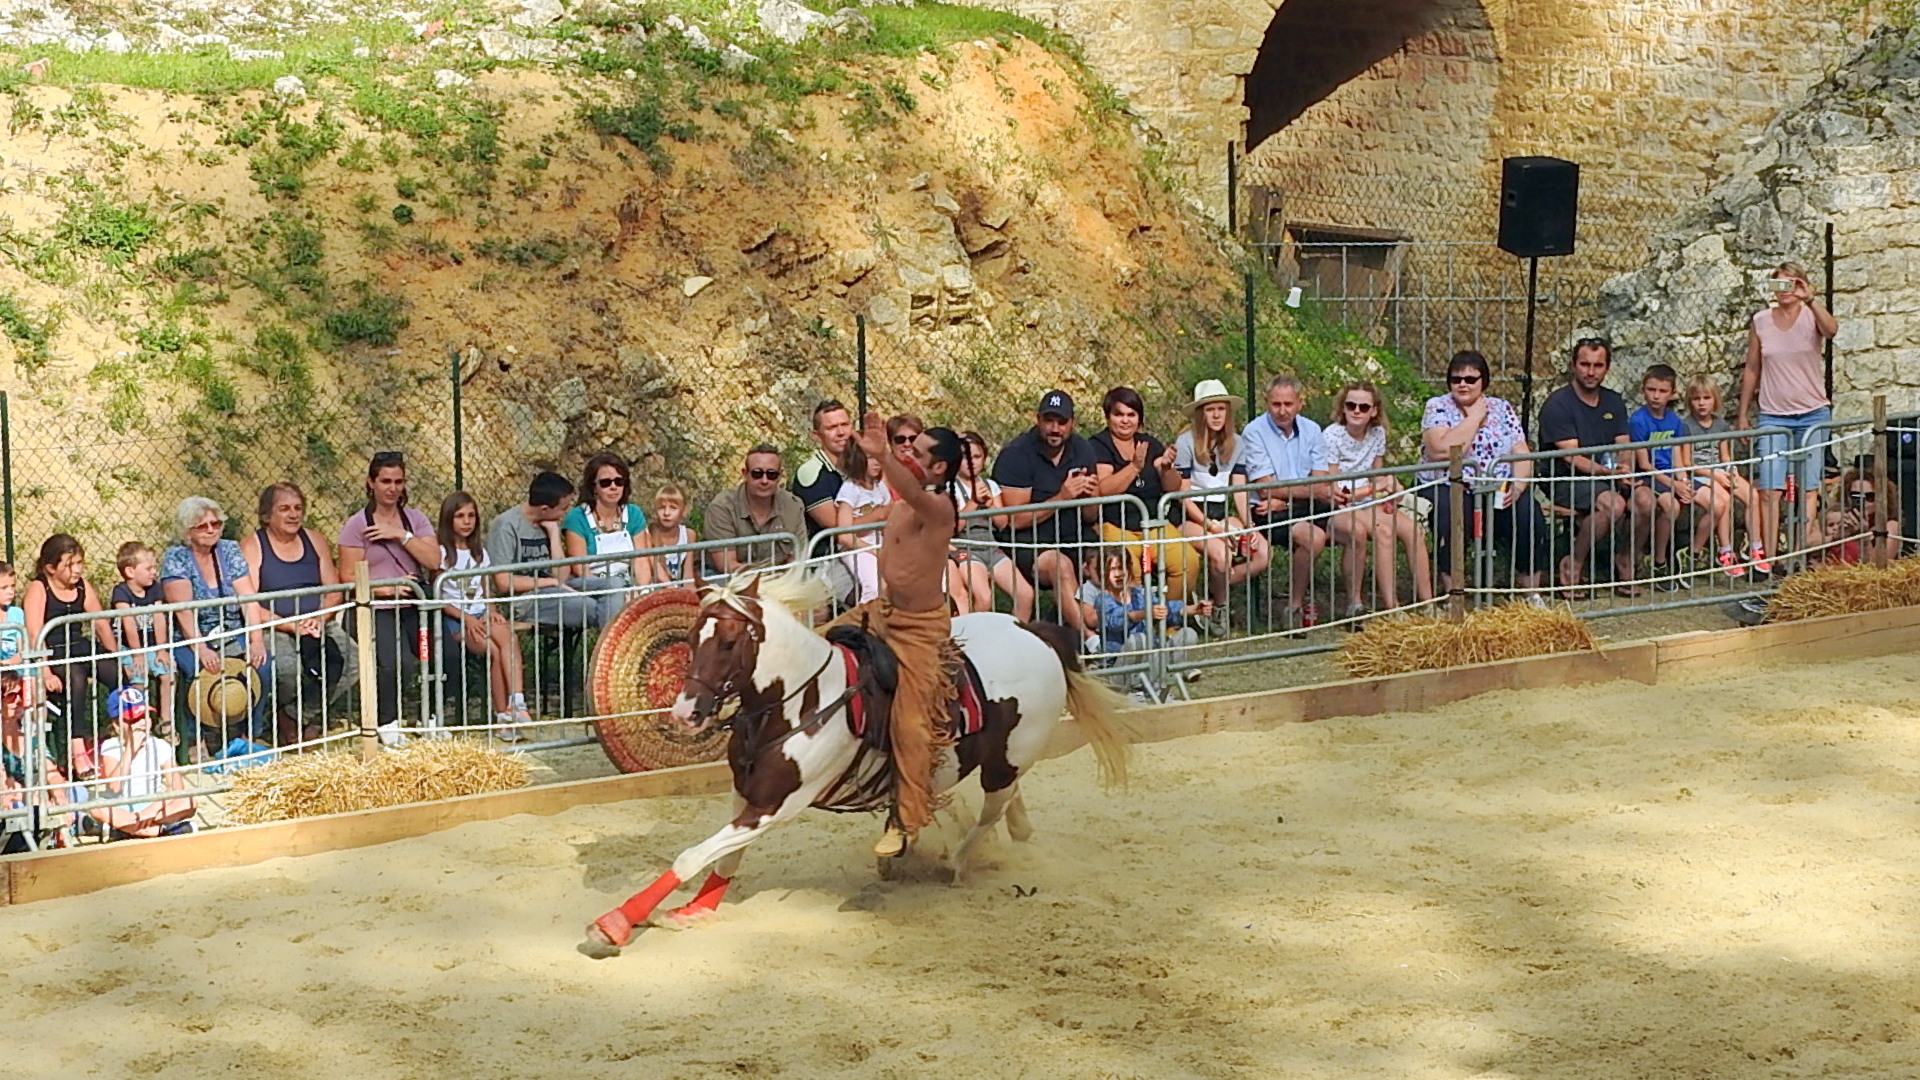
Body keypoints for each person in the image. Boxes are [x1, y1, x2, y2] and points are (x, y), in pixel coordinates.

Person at [827, 411, 962, 859]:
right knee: (820, 641)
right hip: (881, 612)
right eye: (908, 447)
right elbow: (868, 513)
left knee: (911, 723)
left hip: (921, 630)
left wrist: (883, 453)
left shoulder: (939, 507)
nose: (910, 453)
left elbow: (905, 487)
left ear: (940, 467)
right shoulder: (903, 501)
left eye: (919, 452)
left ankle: (905, 821)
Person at [1737, 261, 1840, 574]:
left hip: (1812, 412)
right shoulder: (1761, 321)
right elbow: (1752, 367)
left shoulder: (1812, 316)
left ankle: (1798, 553)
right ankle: (1769, 557)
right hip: (1773, 414)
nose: (1784, 291)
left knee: (1809, 487)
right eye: (1779, 285)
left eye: (1791, 284)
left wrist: (1809, 299)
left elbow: (1832, 331)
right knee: (1770, 488)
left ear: (1801, 285)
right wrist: (1743, 413)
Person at [335, 452, 440, 748]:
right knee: (395, 662)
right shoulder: (357, 525)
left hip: (412, 604)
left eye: (398, 482)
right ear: (371, 483)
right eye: (385, 482)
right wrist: (384, 590)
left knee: (429, 656)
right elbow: (347, 576)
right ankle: (386, 720)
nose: (392, 488)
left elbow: (433, 559)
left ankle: (428, 715)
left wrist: (400, 536)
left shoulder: (414, 520)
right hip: (375, 606)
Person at [1420, 350, 1546, 593]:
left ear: (1483, 381)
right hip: (1451, 484)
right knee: (1452, 516)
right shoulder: (1437, 407)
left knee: (1530, 515)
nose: (1463, 385)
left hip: (1497, 485)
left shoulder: (1502, 408)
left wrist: (1518, 487)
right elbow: (1442, 450)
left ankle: (1530, 591)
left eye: (1470, 379)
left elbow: (1521, 451)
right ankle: (1453, 591)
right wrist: (1475, 418)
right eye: (1456, 379)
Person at [241, 482, 355, 739]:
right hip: (275, 625)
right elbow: (249, 602)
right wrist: (291, 625)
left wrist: (318, 618)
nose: (293, 515)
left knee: (353, 661)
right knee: (287, 668)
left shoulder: (314, 540)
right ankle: (282, 717)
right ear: (267, 515)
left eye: (298, 508)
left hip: (317, 622)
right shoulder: (253, 546)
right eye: (284, 509)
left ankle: (297, 715)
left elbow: (334, 589)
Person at [163, 499, 272, 760]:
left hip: (231, 630)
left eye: (216, 524)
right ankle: (194, 738)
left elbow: (248, 598)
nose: (212, 530)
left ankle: (251, 733)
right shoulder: (176, 558)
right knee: (195, 671)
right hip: (190, 635)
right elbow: (183, 610)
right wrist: (200, 648)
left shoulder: (230, 550)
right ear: (187, 531)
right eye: (203, 526)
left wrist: (256, 639)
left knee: (262, 665)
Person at [1539, 338, 1648, 595]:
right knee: (1613, 504)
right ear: (1573, 365)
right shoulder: (1558, 404)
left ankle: (1626, 559)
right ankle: (1573, 563)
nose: (1591, 372)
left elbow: (1624, 444)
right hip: (1565, 478)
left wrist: (1624, 468)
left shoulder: (1613, 401)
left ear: (1606, 368)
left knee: (1646, 500)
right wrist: (1608, 472)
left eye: (1598, 366)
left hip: (1606, 474)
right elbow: (1571, 457)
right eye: (1585, 364)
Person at [1315, 381, 1434, 615]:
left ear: (1374, 411)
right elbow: (1334, 488)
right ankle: (1392, 608)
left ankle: (1427, 603)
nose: (1356, 411)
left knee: (1413, 530)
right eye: (1351, 405)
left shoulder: (1377, 433)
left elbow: (1377, 473)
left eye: (1363, 407)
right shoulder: (1331, 435)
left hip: (1369, 501)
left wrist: (1388, 491)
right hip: (1341, 505)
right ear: (1343, 408)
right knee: (1384, 531)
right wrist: (1374, 490)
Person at [993, 390, 1099, 647]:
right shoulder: (1016, 454)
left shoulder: (1082, 448)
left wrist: (1092, 496)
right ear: (1038, 419)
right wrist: (1061, 498)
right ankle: (1093, 641)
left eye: (1061, 422)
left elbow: (1091, 514)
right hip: (1030, 541)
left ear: (1072, 423)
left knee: (1114, 561)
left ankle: (1132, 629)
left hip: (1075, 533)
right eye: (1049, 421)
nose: (1055, 428)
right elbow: (1013, 520)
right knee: (1060, 566)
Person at [1238, 374, 1339, 630]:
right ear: (1266, 403)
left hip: (1299, 505)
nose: (1282, 411)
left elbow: (1320, 481)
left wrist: (1285, 497)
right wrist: (1289, 494)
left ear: (1300, 403)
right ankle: (1294, 607)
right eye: (1276, 404)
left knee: (1358, 530)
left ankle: (1357, 606)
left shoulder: (1312, 429)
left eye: (1288, 404)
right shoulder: (1254, 432)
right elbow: (1265, 488)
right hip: (1268, 513)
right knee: (1313, 538)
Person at [1171, 379, 1271, 633]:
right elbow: (1183, 496)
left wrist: (1249, 527)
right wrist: (1209, 525)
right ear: (1200, 413)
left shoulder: (1236, 443)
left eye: (1221, 409)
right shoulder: (1185, 443)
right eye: (1209, 409)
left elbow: (1238, 489)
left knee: (1262, 552)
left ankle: (1213, 595)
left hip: (1219, 511)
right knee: (1221, 554)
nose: (1216, 415)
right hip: (1189, 516)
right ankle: (1221, 609)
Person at [1089, 386, 1205, 603]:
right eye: (1119, 414)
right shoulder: (1098, 446)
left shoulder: (1150, 443)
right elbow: (1103, 489)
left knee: (1188, 561)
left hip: (1154, 523)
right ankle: (1138, 625)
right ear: (1108, 417)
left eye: (1131, 415)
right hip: (1117, 525)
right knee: (1127, 567)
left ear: (1139, 419)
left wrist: (1167, 468)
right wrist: (1134, 466)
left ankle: (1167, 622)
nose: (1125, 420)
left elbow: (1173, 488)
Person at [436, 491, 533, 739]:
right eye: (460, 516)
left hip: (480, 612)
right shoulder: (440, 554)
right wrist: (465, 618)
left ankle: (516, 704)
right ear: (449, 520)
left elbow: (485, 588)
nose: (466, 522)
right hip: (455, 619)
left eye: (471, 516)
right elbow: (438, 596)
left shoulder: (480, 552)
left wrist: (491, 610)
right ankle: (502, 716)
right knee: (493, 651)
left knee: (507, 637)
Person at [23, 534, 120, 774]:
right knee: (75, 679)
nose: (77, 570)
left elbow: (99, 622)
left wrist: (115, 654)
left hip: (79, 644)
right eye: (70, 565)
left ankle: (122, 733)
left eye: (79, 563)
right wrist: (44, 671)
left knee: (116, 673)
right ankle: (77, 748)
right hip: (54, 650)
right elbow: (36, 633)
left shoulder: (81, 585)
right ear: (50, 568)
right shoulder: (39, 588)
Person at [487, 471, 615, 629]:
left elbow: (561, 575)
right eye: (563, 508)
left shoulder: (548, 521)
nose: (566, 512)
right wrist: (551, 582)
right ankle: (612, 650)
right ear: (545, 509)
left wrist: (554, 534)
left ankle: (612, 646)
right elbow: (503, 582)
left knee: (615, 584)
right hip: (527, 599)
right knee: (591, 607)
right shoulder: (505, 526)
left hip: (557, 587)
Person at [90, 686, 194, 840]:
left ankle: (126, 829)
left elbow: (177, 787)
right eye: (134, 719)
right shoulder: (110, 746)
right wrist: (130, 750)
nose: (142, 723)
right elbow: (114, 786)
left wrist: (151, 811)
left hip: (154, 805)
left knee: (188, 802)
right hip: (123, 806)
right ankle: (158, 830)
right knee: (96, 808)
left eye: (144, 716)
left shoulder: (159, 745)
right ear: (117, 726)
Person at [950, 431, 1033, 618]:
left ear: (984, 458)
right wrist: (973, 502)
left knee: (1025, 594)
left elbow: (1002, 523)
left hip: (990, 546)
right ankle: (974, 642)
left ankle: (1014, 640)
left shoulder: (990, 485)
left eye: (977, 456)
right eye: (965, 457)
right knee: (984, 598)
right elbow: (953, 527)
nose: (971, 462)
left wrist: (991, 505)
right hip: (966, 547)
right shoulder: (950, 487)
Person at [1628, 364, 1691, 592]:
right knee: (1671, 506)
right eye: (1651, 390)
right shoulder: (1638, 421)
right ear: (1643, 390)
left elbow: (1676, 458)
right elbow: (1644, 464)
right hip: (1649, 478)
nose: (1656, 396)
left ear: (1672, 393)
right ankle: (1659, 561)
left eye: (1662, 391)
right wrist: (1673, 484)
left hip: (1668, 478)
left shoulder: (1674, 422)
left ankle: (1688, 556)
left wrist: (1683, 482)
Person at [1681, 374, 1753, 576]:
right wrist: (1714, 475)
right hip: (1700, 475)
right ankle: (1725, 551)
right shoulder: (1687, 426)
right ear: (1690, 401)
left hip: (1718, 471)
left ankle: (1755, 547)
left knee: (1752, 496)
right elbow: (1687, 463)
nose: (1701, 403)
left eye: (1706, 398)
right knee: (1724, 500)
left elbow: (1725, 456)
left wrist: (1731, 469)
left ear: (1715, 400)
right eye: (1696, 399)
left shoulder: (1720, 424)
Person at [1088, 549, 1203, 667]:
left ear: (1129, 569)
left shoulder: (1139, 594)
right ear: (1103, 572)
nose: (1118, 574)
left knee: (1188, 633)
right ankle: (1165, 671)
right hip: (1119, 663)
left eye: (1121, 568)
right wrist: (1145, 613)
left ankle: (1170, 669)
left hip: (1150, 655)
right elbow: (1115, 622)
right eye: (1112, 569)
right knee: (1138, 639)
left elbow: (1165, 609)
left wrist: (1193, 609)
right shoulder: (1102, 599)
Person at [792, 400, 858, 603]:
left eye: (844, 425)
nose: (840, 433)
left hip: (864, 546)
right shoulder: (811, 473)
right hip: (829, 560)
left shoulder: (861, 466)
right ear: (816, 435)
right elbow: (837, 526)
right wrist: (882, 515)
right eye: (831, 428)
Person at [706, 445, 809, 574]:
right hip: (731, 581)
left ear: (780, 476)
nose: (764, 481)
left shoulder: (793, 506)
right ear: (745, 474)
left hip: (780, 582)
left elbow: (797, 560)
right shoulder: (722, 507)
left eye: (771, 474)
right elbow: (726, 565)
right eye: (757, 474)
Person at [110, 542, 175, 737]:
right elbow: (129, 624)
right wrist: (137, 653)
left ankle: (166, 722)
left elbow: (158, 618)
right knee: (138, 678)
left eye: (154, 567)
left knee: (168, 673)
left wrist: (162, 649)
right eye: (148, 568)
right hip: (130, 647)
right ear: (130, 571)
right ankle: (139, 724)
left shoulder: (154, 589)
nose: (154, 572)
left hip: (152, 645)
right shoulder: (121, 592)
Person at [562, 452, 647, 590]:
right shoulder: (577, 518)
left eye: (619, 481)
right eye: (605, 483)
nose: (613, 487)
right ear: (593, 486)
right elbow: (580, 568)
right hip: (593, 587)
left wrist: (641, 590)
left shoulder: (634, 514)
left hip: (629, 586)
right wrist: (612, 594)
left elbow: (642, 561)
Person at [833, 439, 892, 605]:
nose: (876, 463)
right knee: (874, 587)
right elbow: (844, 536)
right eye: (869, 457)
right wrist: (873, 551)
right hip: (856, 548)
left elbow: (891, 518)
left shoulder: (880, 487)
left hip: (879, 544)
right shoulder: (850, 489)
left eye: (877, 457)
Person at [1822, 463, 1899, 566]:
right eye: (1856, 496)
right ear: (1847, 496)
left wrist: (1865, 537)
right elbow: (1806, 542)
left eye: (1870, 496)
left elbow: (1879, 567)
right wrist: (1835, 536)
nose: (1864, 502)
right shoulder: (1838, 517)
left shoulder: (1889, 525)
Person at [637, 482, 702, 587]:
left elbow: (688, 576)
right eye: (661, 508)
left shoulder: (689, 534)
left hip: (677, 588)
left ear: (683, 511)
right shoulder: (648, 534)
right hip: (654, 589)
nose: (666, 513)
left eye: (673, 508)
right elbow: (657, 574)